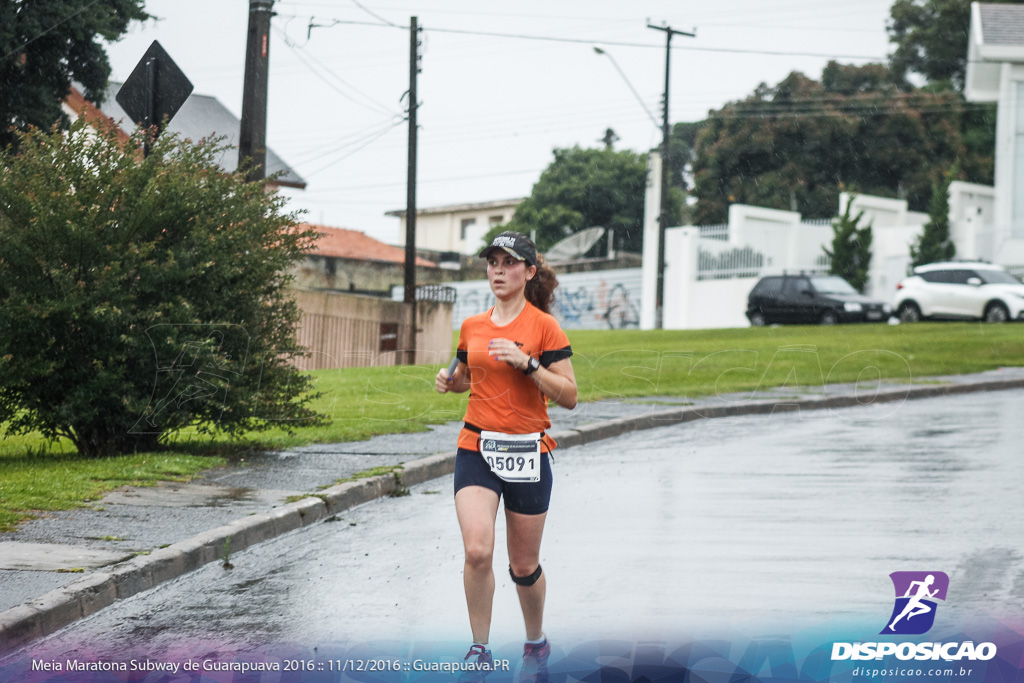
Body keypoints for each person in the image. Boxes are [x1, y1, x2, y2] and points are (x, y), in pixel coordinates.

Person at [435, 231, 577, 679]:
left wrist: (528, 364)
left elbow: (570, 395)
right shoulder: (473, 326)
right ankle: (480, 648)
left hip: (528, 452)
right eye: (492, 262)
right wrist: (449, 381)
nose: (497, 269)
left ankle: (535, 640)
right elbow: (467, 377)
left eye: (508, 262)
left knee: (523, 564)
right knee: (478, 549)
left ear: (529, 272)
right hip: (476, 445)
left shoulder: (544, 328)